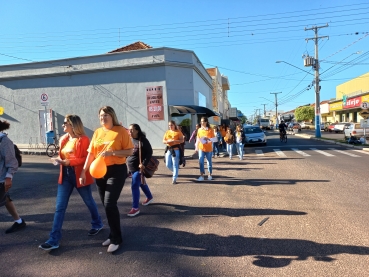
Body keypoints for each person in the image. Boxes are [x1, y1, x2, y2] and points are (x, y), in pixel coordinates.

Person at [39, 115, 103, 251]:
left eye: (65, 123)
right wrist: (58, 160)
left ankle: (97, 223)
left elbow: (86, 158)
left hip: (80, 175)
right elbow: (63, 156)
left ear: (73, 125)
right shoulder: (63, 139)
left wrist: (70, 162)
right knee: (59, 208)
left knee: (89, 201)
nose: (63, 126)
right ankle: (53, 239)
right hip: (66, 176)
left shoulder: (84, 140)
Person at [80, 106, 133, 253]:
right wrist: (83, 172)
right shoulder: (97, 132)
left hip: (116, 170)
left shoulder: (120, 131)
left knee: (110, 203)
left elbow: (130, 150)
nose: (103, 117)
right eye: (101, 115)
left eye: (106, 115)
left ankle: (117, 239)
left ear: (112, 116)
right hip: (99, 171)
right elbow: (91, 153)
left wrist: (113, 152)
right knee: (106, 204)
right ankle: (112, 234)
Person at [0, 120, 26, 234]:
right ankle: (19, 222)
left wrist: (8, 178)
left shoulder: (4, 141)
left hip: (1, 180)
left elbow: (12, 162)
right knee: (6, 199)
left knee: (5, 198)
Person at [126, 124, 154, 217]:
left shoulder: (143, 140)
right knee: (141, 183)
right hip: (131, 168)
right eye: (129, 130)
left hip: (139, 168)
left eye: (132, 130)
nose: (130, 132)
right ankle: (149, 197)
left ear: (137, 130)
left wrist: (144, 164)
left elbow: (149, 152)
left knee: (134, 186)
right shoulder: (130, 140)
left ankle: (135, 208)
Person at [196, 117, 215, 181]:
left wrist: (208, 139)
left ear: (206, 122)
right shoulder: (199, 130)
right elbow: (198, 139)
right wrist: (196, 147)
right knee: (201, 161)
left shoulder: (210, 130)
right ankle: (201, 175)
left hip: (209, 148)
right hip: (201, 148)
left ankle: (210, 175)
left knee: (209, 162)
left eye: (203, 121)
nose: (202, 123)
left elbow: (214, 139)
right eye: (201, 121)